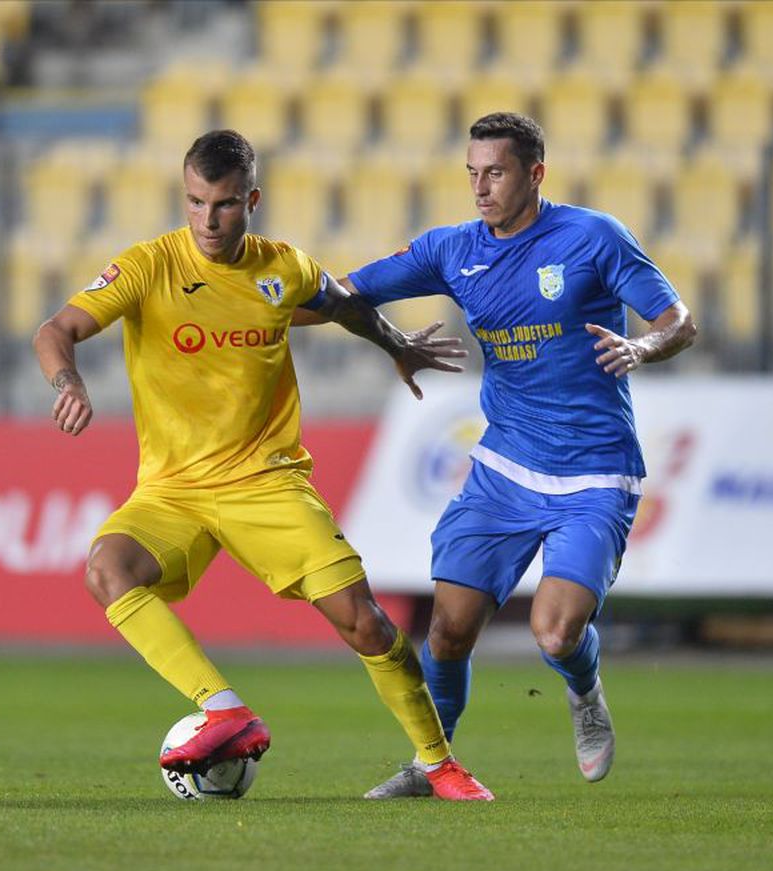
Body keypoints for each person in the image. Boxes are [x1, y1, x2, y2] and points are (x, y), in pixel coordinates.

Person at [32, 130, 492, 800]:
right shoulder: (146, 266)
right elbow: (55, 330)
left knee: (365, 621)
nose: (206, 220)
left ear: (251, 199)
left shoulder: (285, 268)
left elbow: (343, 303)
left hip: (268, 483)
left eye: (221, 205)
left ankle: (438, 761)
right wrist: (66, 382)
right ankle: (221, 707)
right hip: (174, 490)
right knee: (107, 567)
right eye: (194, 202)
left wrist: (395, 344)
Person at [322, 112, 697, 797]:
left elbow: (678, 321)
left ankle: (585, 692)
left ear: (535, 173)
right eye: (472, 173)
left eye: (494, 172)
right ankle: (432, 764)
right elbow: (346, 292)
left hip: (594, 472)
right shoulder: (452, 249)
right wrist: (262, 296)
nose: (480, 187)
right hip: (503, 469)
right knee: (449, 631)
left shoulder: (592, 237)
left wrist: (641, 347)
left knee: (554, 634)